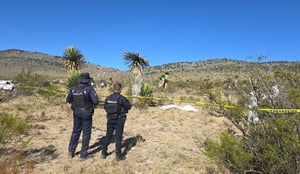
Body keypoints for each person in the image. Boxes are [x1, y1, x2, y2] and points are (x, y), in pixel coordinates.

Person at [66, 72, 99, 159]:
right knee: (86, 133)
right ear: (88, 80)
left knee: (75, 131)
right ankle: (83, 154)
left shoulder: (73, 89)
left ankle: (71, 151)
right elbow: (96, 101)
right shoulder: (89, 89)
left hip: (76, 112)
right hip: (86, 113)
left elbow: (68, 99)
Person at [101, 83, 131, 161]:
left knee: (108, 136)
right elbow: (129, 106)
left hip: (110, 119)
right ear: (120, 89)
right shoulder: (121, 98)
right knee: (118, 137)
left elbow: (104, 107)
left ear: (113, 89)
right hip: (119, 120)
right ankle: (118, 155)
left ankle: (103, 153)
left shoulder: (108, 98)